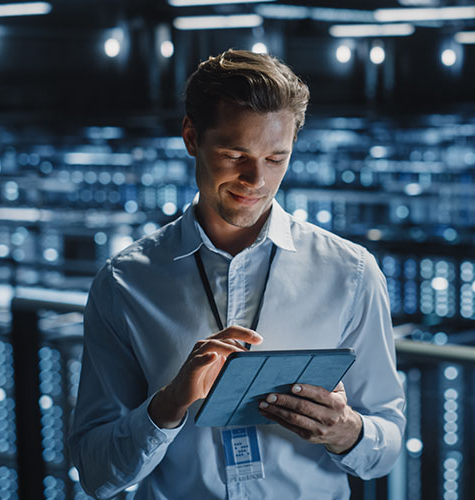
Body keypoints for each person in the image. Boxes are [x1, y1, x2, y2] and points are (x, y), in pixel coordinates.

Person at [69, 49, 406, 499]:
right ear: (191, 137)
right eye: (235, 154)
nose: (256, 181)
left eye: (276, 158)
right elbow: (96, 471)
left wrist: (346, 430)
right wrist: (166, 407)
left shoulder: (350, 272)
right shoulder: (125, 283)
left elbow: (386, 446)